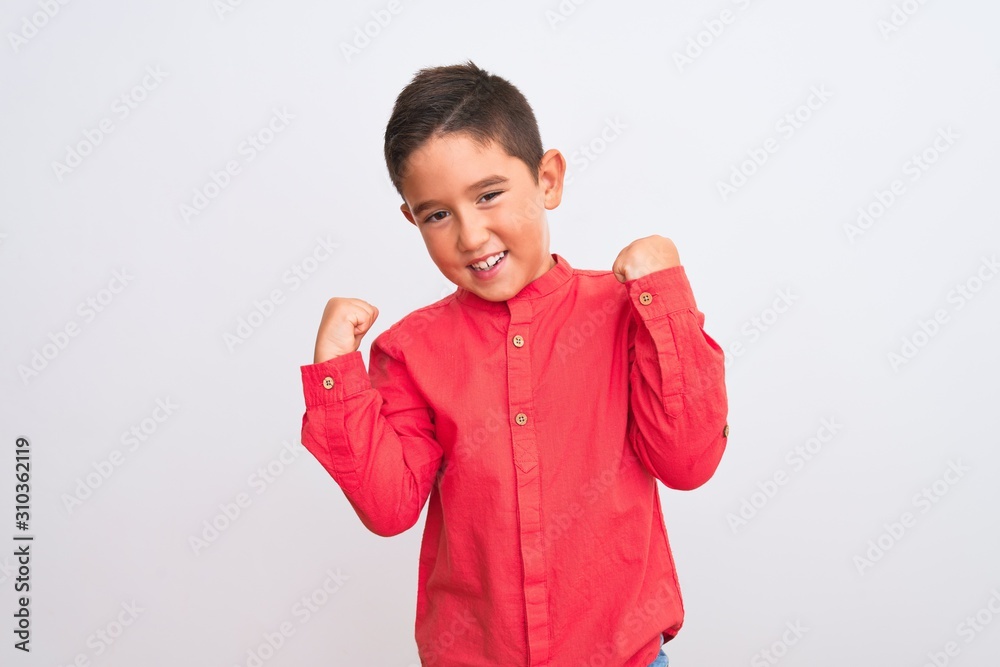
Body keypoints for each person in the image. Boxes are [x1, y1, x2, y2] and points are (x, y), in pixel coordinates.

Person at [298, 59, 729, 667]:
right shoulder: (409, 351)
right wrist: (336, 372)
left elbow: (687, 461)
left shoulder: (626, 310)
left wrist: (666, 293)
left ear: (547, 179)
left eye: (490, 195)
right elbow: (389, 507)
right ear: (412, 219)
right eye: (437, 214)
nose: (471, 235)